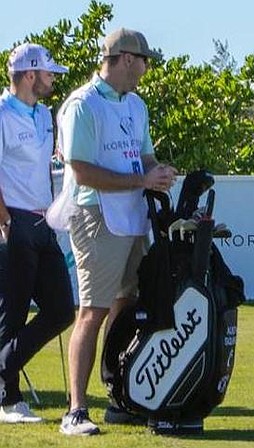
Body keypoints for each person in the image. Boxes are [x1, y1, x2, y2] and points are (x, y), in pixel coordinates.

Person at [57, 28, 176, 436]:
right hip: (95, 217)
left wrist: (156, 173)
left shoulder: (135, 104)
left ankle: (117, 397)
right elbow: (82, 171)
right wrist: (141, 182)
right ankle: (75, 410)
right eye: (144, 60)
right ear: (127, 58)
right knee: (92, 310)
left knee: (125, 304)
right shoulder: (82, 105)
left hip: (131, 216)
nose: (146, 68)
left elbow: (142, 155)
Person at [0, 43, 75, 423]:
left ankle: (2, 367)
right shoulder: (0, 113)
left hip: (44, 222)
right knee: (11, 314)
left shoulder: (45, 113)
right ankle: (8, 400)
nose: (52, 79)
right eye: (48, 73)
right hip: (13, 222)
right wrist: (4, 222)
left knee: (62, 309)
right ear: (30, 75)